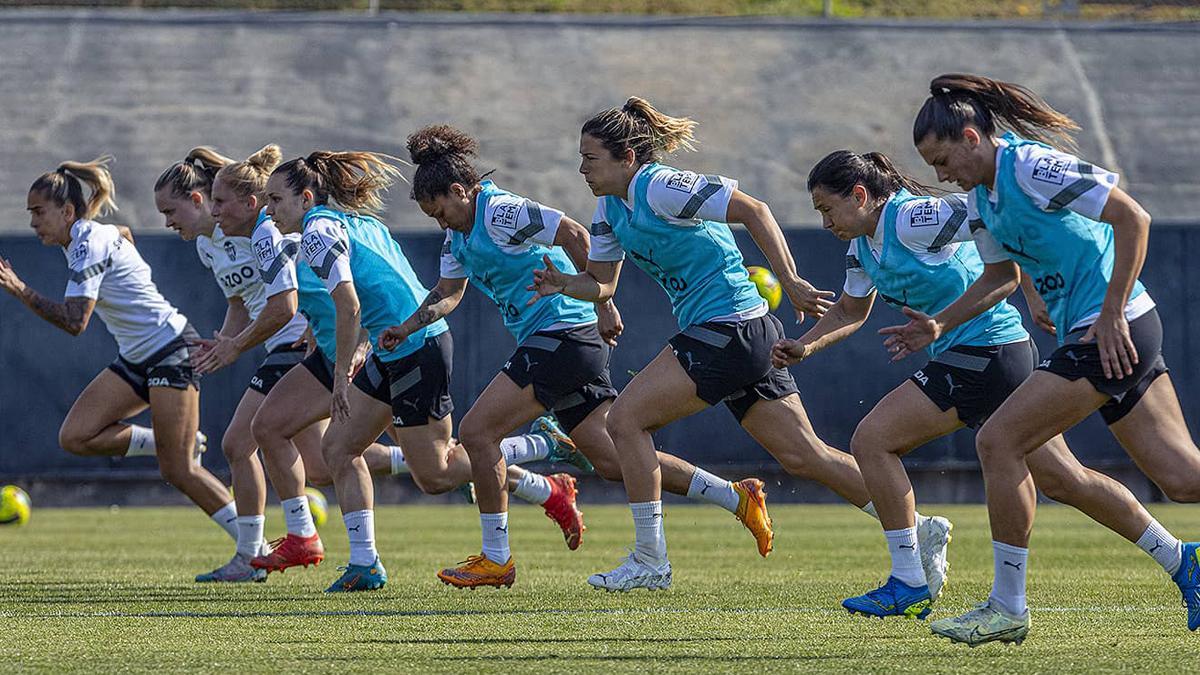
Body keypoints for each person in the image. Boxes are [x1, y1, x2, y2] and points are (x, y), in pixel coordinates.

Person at [528, 97, 951, 591]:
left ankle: (650, 560)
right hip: (741, 334)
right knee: (804, 456)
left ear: (627, 157)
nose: (581, 168)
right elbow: (602, 284)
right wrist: (564, 283)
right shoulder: (608, 210)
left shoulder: (659, 185)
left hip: (728, 326)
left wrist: (789, 279)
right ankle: (917, 529)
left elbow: (753, 208)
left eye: (590, 157)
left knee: (624, 421)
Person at [778, 149, 1200, 628]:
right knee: (1066, 479)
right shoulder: (860, 248)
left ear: (859, 195)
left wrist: (1031, 289)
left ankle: (911, 579)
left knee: (873, 440)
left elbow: (990, 225)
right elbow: (851, 312)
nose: (825, 221)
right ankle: (1182, 560)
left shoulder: (912, 219)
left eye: (826, 209)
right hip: (992, 356)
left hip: (987, 353)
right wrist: (806, 348)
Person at [881, 73, 1200, 644]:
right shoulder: (979, 200)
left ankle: (1007, 605)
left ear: (973, 137)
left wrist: (1108, 311)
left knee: (997, 441)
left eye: (942, 158)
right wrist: (938, 323)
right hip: (1106, 333)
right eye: (931, 165)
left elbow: (1133, 218)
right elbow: (1001, 276)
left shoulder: (1029, 166)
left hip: (1110, 331)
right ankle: (1191, 565)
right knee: (1183, 478)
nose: (940, 175)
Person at [384, 125, 773, 589]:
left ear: (459, 191)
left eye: (441, 211)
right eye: (432, 218)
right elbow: (448, 293)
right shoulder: (458, 239)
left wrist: (603, 302)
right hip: (556, 341)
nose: (440, 223)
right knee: (614, 462)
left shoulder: (500, 212)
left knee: (476, 431)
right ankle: (736, 497)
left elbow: (571, 231)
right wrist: (406, 327)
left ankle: (496, 557)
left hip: (564, 335)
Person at [264, 151, 586, 592]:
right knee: (338, 447)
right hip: (396, 344)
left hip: (420, 348)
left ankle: (539, 444)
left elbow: (352, 304)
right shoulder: (361, 224)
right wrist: (368, 340)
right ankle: (365, 564)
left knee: (435, 475)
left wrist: (341, 374)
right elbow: (384, 288)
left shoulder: (318, 232)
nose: (269, 209)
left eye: (275, 199)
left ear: (305, 198)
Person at [0, 156, 235, 547]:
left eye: (39, 212)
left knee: (177, 469)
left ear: (67, 210)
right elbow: (123, 231)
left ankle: (253, 549)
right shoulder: (90, 237)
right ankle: (170, 438)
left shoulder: (87, 243)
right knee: (75, 436)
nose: (32, 223)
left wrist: (20, 289)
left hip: (170, 347)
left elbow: (76, 322)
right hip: (138, 356)